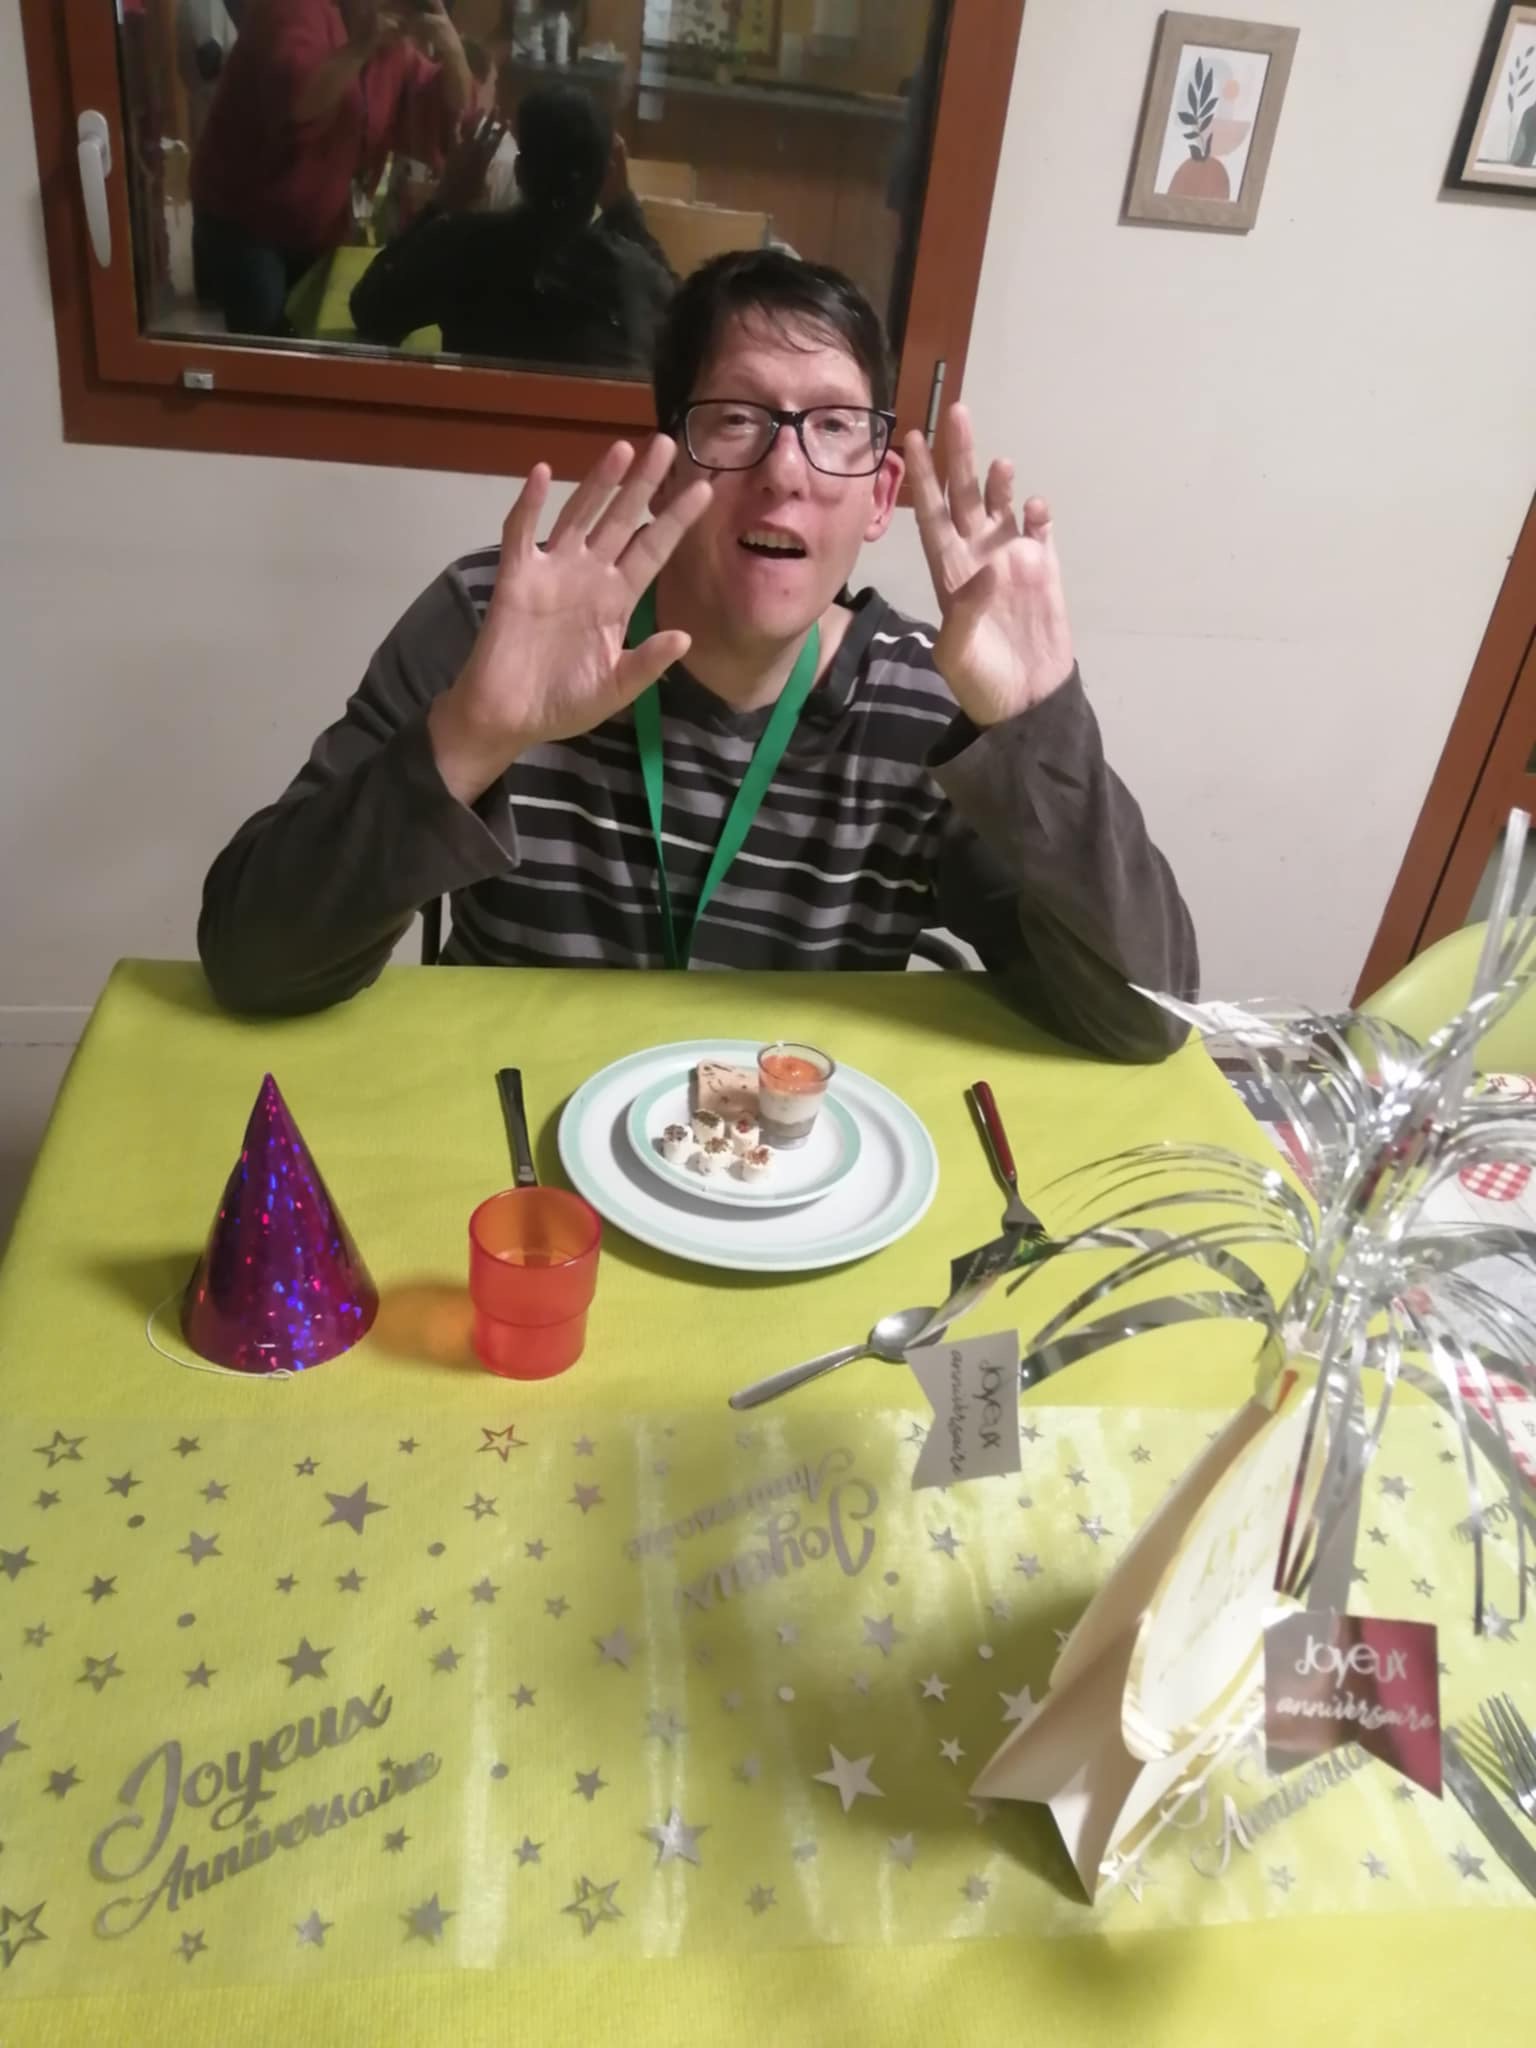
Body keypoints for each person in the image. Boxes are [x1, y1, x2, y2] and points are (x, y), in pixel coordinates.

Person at [199, 250, 1197, 1061]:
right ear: (673, 460)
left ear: (881, 494)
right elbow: (252, 961)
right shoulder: (501, 624)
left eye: (833, 426)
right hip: (514, 1161)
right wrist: (472, 733)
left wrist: (1033, 728)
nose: (786, 470)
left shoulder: (930, 699)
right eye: (738, 420)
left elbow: (1144, 1017)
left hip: (797, 1180)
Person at [190, 0, 473, 336]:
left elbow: (451, 115)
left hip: (317, 224)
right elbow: (296, 104)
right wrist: (360, 48)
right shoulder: (292, 10)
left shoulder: (395, 46)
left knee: (311, 335)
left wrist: (453, 50)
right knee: (267, 345)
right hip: (245, 218)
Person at [349, 87, 675, 369]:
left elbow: (371, 311)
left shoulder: (463, 248)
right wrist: (623, 208)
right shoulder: (636, 277)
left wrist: (444, 201)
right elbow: (689, 326)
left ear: (519, 171)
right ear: (606, 177)